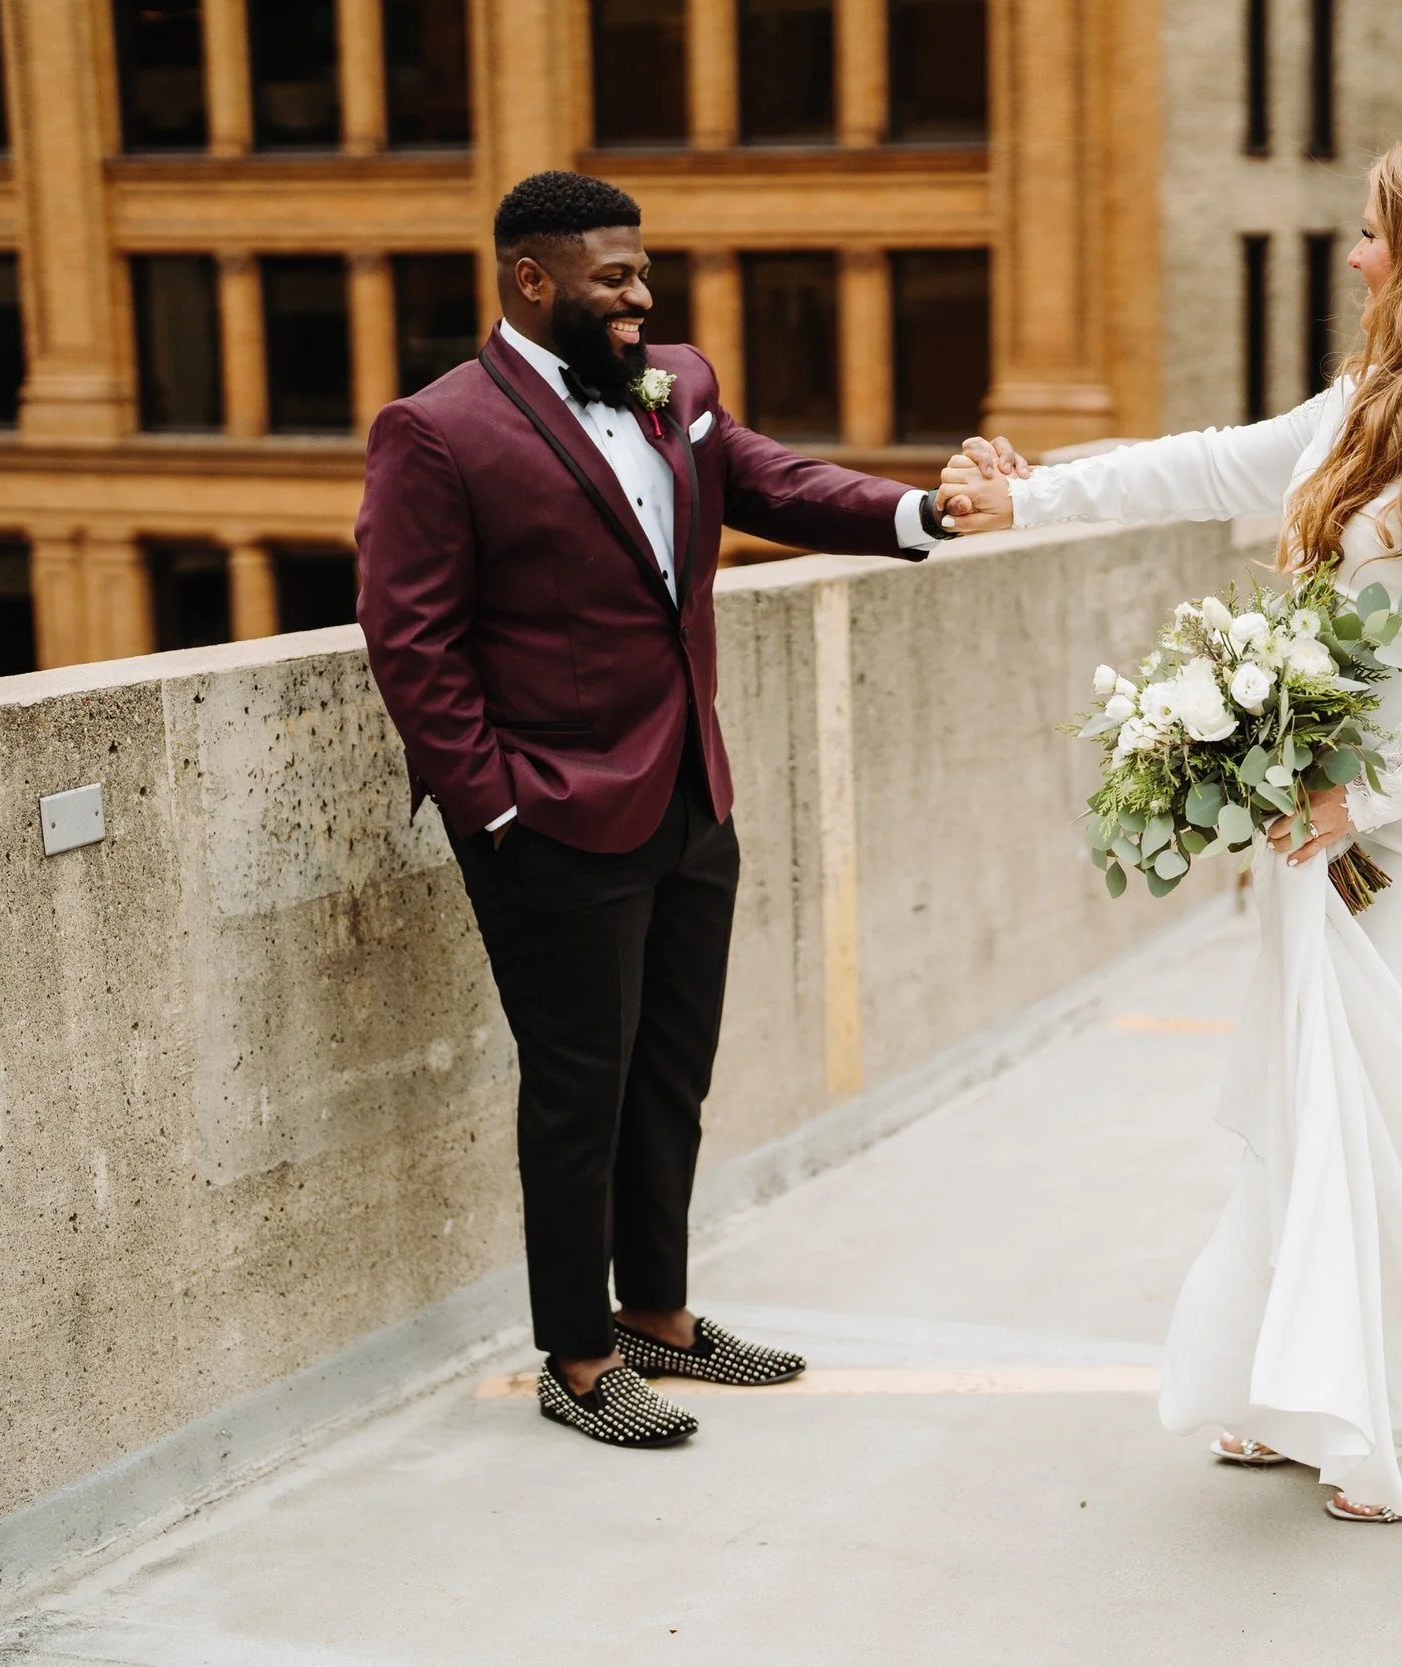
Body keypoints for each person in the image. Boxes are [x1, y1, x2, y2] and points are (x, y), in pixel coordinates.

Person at [939, 131, 1402, 1521]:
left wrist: (1370, 787)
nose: (1353, 255)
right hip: (1335, 820)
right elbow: (1206, 468)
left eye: (1371, 232)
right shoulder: (1360, 405)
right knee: (1322, 1104)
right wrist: (1027, 498)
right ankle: (1306, 1390)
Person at [356, 171, 967, 1447]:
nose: (643, 294)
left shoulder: (674, 383)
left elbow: (778, 484)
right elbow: (412, 642)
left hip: (692, 792)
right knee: (579, 1089)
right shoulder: (437, 429)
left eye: (643, 270)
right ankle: (578, 1358)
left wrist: (924, 509)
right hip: (551, 819)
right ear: (532, 279)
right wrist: (497, 811)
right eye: (613, 276)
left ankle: (663, 1317)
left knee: (671, 1077)